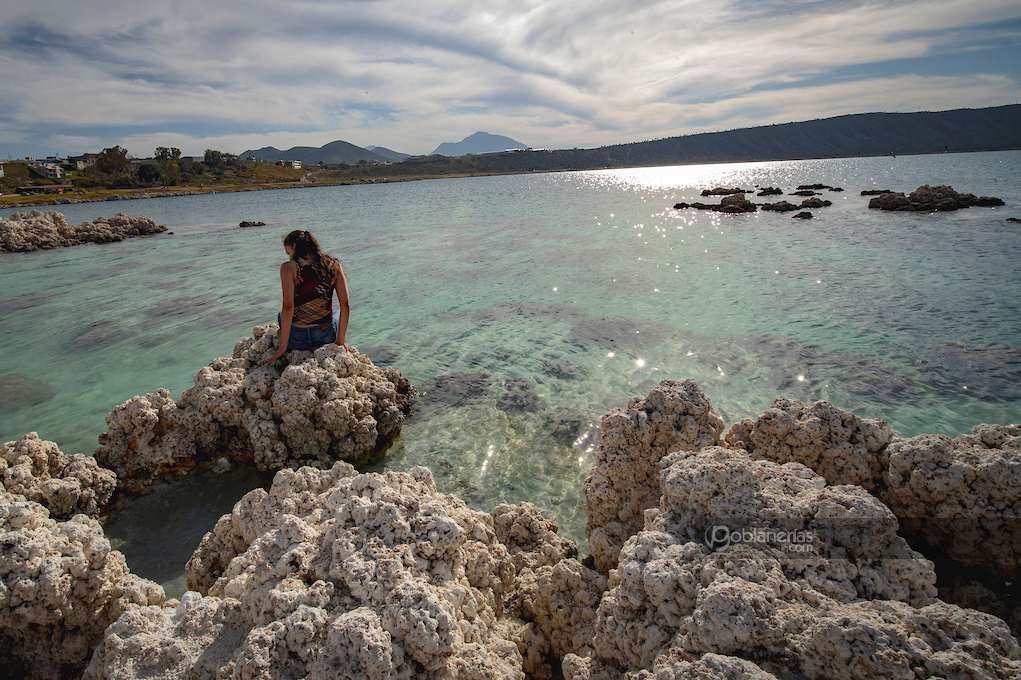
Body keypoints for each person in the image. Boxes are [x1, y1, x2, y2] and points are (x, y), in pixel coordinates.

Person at [264, 229, 350, 364]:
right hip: (325, 337)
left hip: (297, 339)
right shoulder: (333, 265)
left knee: (281, 315)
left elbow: (288, 307)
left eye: (288, 253)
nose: (289, 257)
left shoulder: (287, 268)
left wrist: (282, 348)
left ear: (294, 247)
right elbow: (345, 305)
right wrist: (340, 342)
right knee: (338, 313)